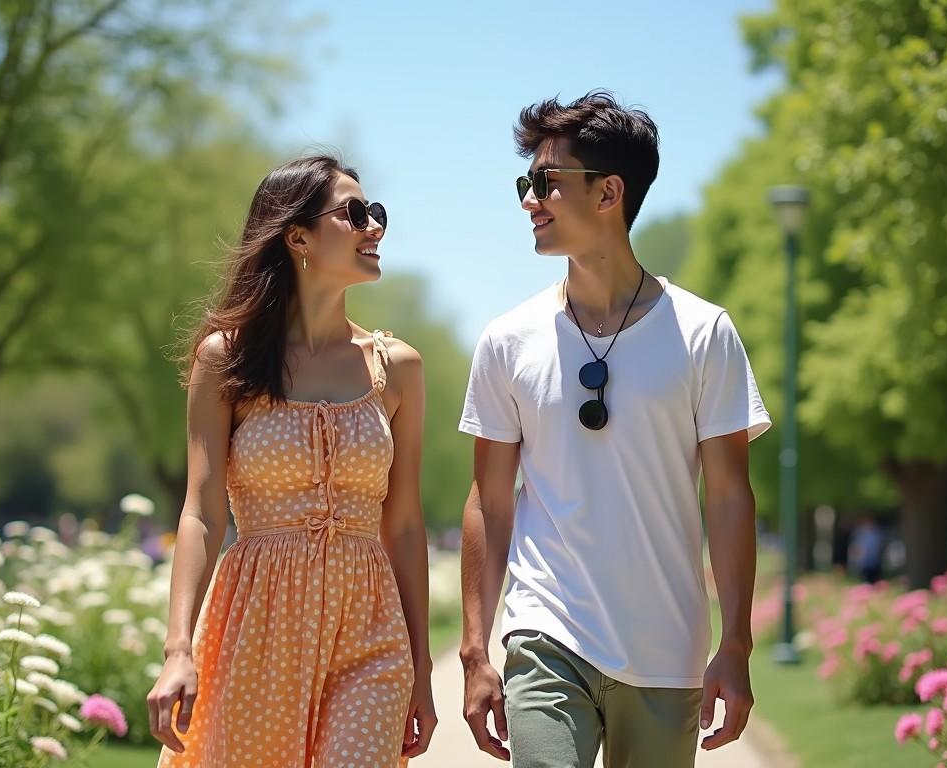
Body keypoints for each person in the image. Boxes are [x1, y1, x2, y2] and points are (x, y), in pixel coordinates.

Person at [458, 91, 771, 768]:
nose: (529, 201)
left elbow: (727, 498)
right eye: (526, 183)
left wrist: (737, 645)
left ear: (609, 193)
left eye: (546, 182)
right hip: (544, 631)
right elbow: (490, 499)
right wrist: (477, 647)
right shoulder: (506, 341)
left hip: (665, 645)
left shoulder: (703, 334)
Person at [147, 155, 436, 767]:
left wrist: (422, 667)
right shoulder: (225, 359)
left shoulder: (399, 368)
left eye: (376, 213)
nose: (374, 227)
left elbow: (405, 525)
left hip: (370, 632)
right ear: (297, 236)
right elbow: (201, 512)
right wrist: (178, 648)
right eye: (354, 214)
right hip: (257, 625)